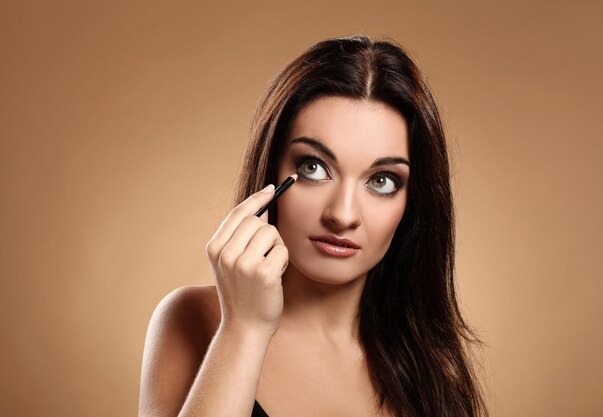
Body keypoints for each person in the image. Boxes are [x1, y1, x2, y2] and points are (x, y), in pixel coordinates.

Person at [139, 34, 487, 417]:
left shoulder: (428, 366)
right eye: (314, 168)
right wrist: (245, 328)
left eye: (382, 180)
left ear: (411, 203)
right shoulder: (192, 317)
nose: (342, 214)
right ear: (270, 170)